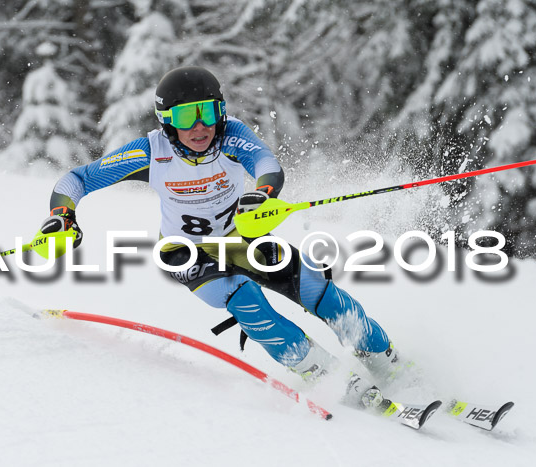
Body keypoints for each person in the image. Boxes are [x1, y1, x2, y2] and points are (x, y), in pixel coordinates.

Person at [38, 66, 407, 409]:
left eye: (209, 113)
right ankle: (326, 376)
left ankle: (389, 363)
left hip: (236, 238)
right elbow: (79, 179)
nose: (200, 127)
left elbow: (266, 164)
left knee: (318, 289)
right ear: (167, 122)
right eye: (186, 117)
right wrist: (61, 215)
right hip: (185, 251)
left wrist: (262, 193)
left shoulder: (232, 136)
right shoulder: (152, 152)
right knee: (244, 298)